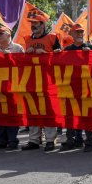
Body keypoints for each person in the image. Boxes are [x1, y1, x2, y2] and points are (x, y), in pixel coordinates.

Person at [21, 14, 62, 152]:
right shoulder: (27, 40)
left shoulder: (52, 38)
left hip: (48, 81)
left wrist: (45, 53)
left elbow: (60, 57)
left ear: (43, 25)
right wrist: (26, 55)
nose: (33, 26)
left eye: (36, 23)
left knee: (48, 110)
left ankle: (50, 140)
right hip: (32, 80)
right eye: (32, 23)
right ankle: (33, 139)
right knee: (32, 109)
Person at [60, 23, 92, 152]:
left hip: (87, 87)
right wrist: (56, 54)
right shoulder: (67, 50)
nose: (79, 34)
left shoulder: (90, 47)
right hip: (71, 88)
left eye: (81, 32)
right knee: (70, 116)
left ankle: (89, 142)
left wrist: (91, 53)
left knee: (87, 116)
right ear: (71, 34)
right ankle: (70, 141)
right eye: (76, 32)